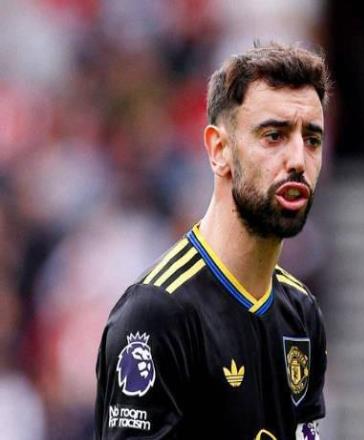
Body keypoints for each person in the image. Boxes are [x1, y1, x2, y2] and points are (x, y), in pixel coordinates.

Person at [94, 42, 331, 440]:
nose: (297, 160)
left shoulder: (301, 312)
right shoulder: (158, 313)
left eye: (312, 140)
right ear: (219, 150)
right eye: (274, 136)